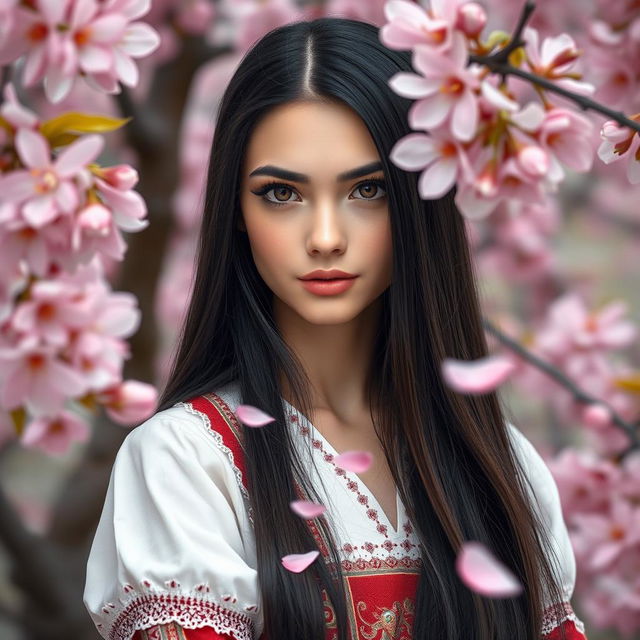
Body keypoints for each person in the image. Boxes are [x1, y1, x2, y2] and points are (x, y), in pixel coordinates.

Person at [83, 16, 588, 640]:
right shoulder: (186, 462)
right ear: (234, 210)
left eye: (368, 189)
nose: (325, 238)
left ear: (416, 204)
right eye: (281, 194)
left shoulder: (500, 464)